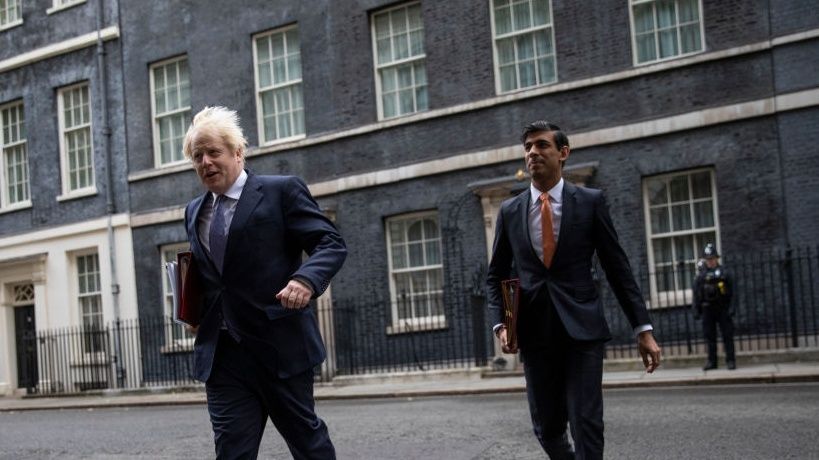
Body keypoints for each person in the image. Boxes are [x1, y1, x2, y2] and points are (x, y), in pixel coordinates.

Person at [486, 120, 661, 459]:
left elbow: (617, 267)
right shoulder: (510, 211)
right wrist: (502, 324)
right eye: (528, 148)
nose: (533, 152)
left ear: (563, 153)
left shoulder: (590, 202)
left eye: (541, 145)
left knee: (586, 422)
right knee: (547, 428)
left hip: (583, 330)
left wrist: (643, 329)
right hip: (535, 334)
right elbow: (496, 275)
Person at [181, 106, 346, 459]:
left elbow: (330, 242)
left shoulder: (280, 192)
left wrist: (305, 279)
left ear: (237, 152)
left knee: (307, 444)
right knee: (231, 451)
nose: (206, 162)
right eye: (198, 156)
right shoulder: (194, 211)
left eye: (214, 152)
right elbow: (211, 276)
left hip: (278, 348)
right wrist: (192, 309)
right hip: (224, 355)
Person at [692, 243, 735, 371]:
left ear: (716, 258)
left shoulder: (724, 273)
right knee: (709, 336)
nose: (710, 261)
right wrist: (696, 309)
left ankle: (731, 360)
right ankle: (712, 361)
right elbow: (697, 293)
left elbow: (732, 292)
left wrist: (732, 308)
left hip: (722, 308)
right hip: (707, 309)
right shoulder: (701, 275)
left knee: (727, 335)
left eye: (712, 258)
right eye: (708, 259)